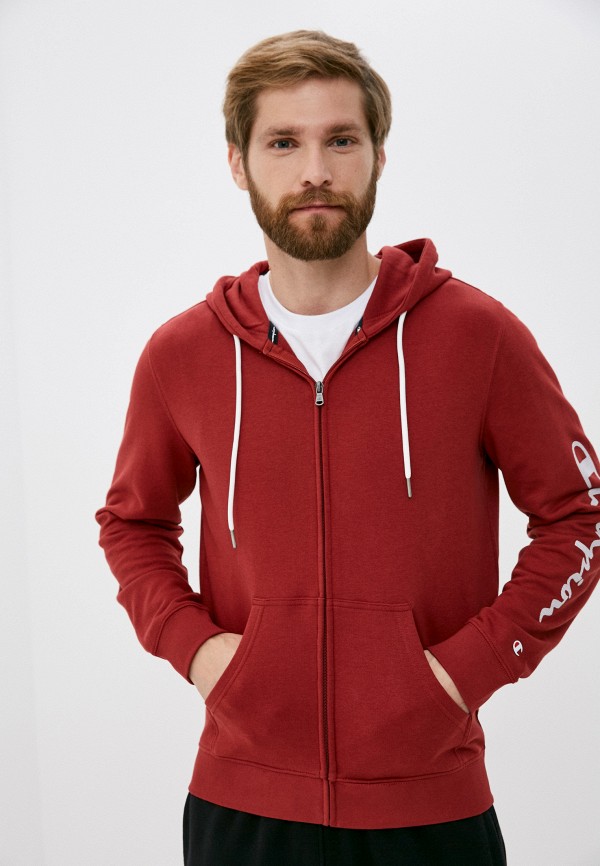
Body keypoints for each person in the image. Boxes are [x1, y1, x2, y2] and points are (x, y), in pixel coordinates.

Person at [95, 30, 600, 866]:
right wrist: (201, 651)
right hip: (243, 806)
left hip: (430, 806)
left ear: (378, 156)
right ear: (238, 162)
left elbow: (579, 515)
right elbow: (131, 524)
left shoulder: (478, 337)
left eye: (340, 140)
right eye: (282, 143)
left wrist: (470, 668)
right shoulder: (182, 355)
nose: (314, 171)